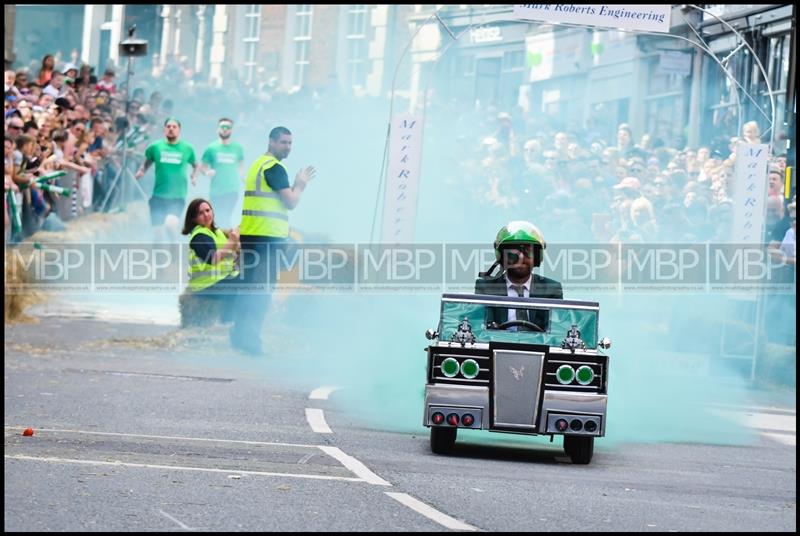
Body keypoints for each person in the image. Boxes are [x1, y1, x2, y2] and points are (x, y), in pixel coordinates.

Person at [230, 126, 316, 355]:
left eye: (290, 143)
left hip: (251, 235)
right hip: (266, 238)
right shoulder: (275, 168)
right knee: (261, 291)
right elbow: (290, 202)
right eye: (283, 142)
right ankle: (251, 344)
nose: (287, 147)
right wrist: (300, 185)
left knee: (249, 287)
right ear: (271, 142)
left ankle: (238, 338)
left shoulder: (257, 164)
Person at [475, 221, 563, 331]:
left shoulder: (552, 289)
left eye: (527, 252)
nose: (521, 259)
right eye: (513, 253)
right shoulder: (485, 287)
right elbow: (483, 329)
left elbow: (556, 331)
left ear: (536, 257)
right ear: (502, 257)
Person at [135, 117, 197, 239]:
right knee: (157, 234)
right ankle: (159, 257)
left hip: (177, 197)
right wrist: (142, 170)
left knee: (170, 225)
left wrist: (194, 176)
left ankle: (175, 251)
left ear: (179, 130)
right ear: (164, 130)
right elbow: (148, 161)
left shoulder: (187, 148)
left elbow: (196, 165)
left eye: (174, 127)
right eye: (168, 127)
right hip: (158, 196)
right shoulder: (156, 147)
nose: (171, 129)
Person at [181, 198, 240, 320]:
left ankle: (229, 322)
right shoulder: (199, 236)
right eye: (200, 213)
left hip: (220, 280)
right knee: (244, 287)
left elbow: (226, 253)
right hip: (205, 286)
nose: (206, 215)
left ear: (213, 212)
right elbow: (213, 259)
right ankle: (227, 322)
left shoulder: (216, 232)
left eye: (208, 210)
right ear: (194, 219)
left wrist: (235, 250)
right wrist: (232, 241)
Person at [199, 118, 245, 228]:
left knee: (225, 216)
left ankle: (227, 241)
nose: (225, 129)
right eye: (222, 127)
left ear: (231, 130)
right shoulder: (211, 148)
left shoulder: (238, 148)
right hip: (216, 191)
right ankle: (222, 240)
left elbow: (241, 167)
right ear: (217, 129)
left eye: (227, 127)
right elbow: (202, 167)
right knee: (216, 218)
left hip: (232, 190)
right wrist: (207, 172)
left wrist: (243, 178)